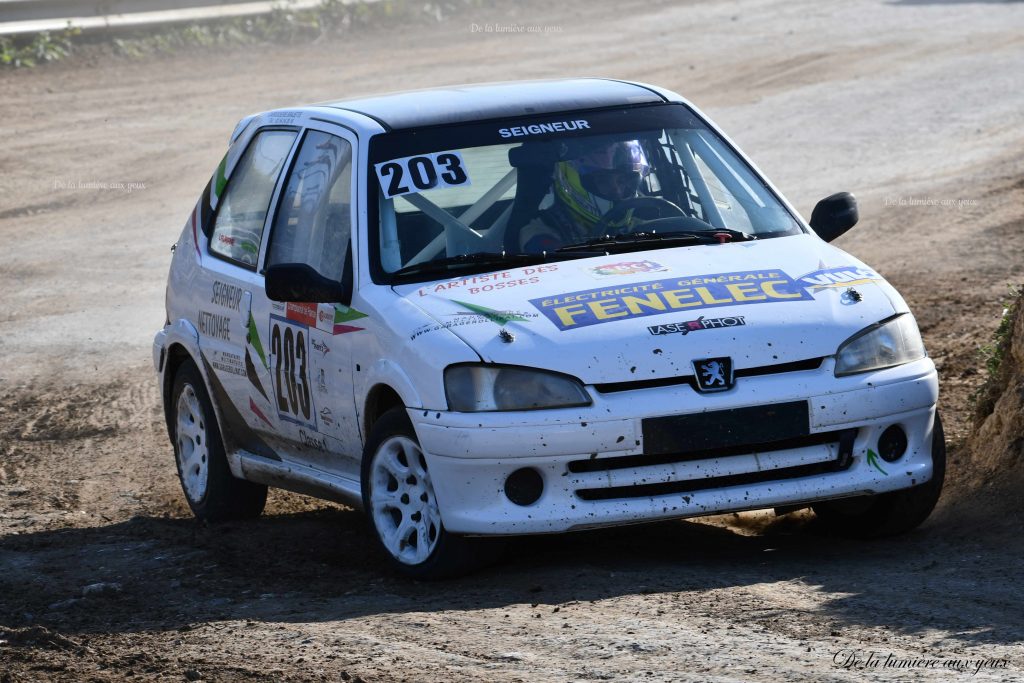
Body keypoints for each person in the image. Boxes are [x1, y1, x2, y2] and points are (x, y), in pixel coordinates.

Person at [519, 139, 652, 253]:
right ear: (571, 181)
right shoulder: (539, 231)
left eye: (623, 181)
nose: (617, 191)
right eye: (603, 181)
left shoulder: (645, 223)